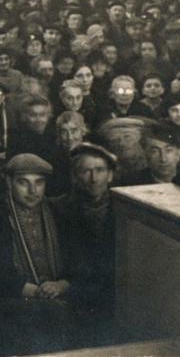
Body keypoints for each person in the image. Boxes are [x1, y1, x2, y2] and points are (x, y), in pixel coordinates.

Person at [0, 153, 75, 354]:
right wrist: (33, 291)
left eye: (39, 182)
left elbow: (78, 260)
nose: (33, 190)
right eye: (23, 182)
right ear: (9, 182)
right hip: (13, 296)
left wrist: (61, 285)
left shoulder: (59, 211)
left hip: (56, 291)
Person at [51, 143, 119, 347]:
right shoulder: (57, 208)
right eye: (86, 171)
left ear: (110, 175)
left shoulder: (125, 207)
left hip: (115, 288)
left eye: (100, 170)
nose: (94, 178)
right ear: (74, 176)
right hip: (75, 290)